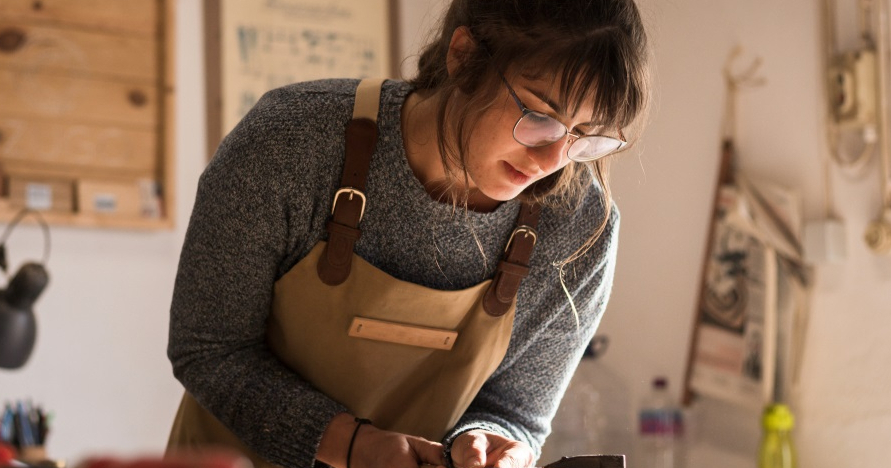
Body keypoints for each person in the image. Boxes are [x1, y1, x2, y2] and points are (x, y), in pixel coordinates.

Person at [166, 1, 651, 468]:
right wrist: (355, 447)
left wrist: (494, 447)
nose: (553, 162)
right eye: (540, 116)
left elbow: (517, 412)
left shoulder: (580, 223)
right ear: (464, 57)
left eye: (586, 136)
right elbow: (211, 349)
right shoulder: (291, 141)